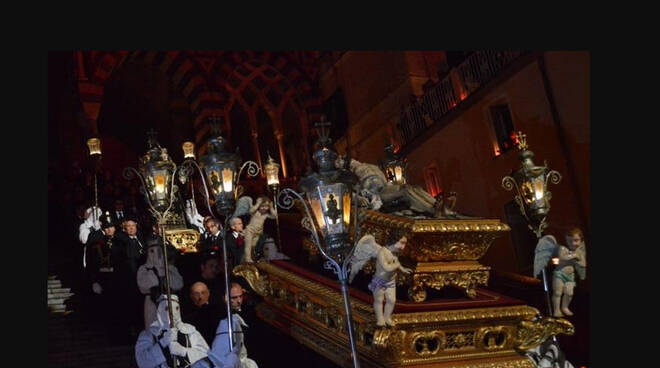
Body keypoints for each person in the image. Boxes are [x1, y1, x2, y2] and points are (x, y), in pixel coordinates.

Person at [349, 229, 412, 327]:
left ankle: (387, 317)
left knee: (392, 300)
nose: (403, 247)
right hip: (380, 281)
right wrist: (397, 265)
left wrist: (402, 269)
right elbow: (387, 267)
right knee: (379, 300)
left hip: (390, 281)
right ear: (394, 240)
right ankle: (380, 318)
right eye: (402, 243)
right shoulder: (382, 252)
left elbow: (395, 262)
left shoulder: (394, 253)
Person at [135, 294, 212, 368]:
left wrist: (184, 352)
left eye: (176, 308)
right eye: (167, 308)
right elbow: (142, 362)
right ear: (160, 311)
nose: (172, 313)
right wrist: (163, 343)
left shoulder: (190, 331)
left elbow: (207, 357)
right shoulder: (149, 334)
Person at [137, 238, 185, 329]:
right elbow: (143, 286)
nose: (155, 254)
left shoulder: (170, 268)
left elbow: (178, 284)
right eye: (152, 251)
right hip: (152, 303)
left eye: (159, 251)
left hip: (170, 302)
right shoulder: (144, 269)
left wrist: (164, 269)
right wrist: (155, 270)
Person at [209, 283, 258, 368]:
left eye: (241, 296)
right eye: (234, 298)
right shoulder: (219, 317)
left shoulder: (247, 312)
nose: (239, 301)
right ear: (225, 298)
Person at [552, 227, 587, 317]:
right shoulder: (563, 249)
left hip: (570, 275)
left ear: (581, 241)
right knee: (557, 292)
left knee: (569, 293)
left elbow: (583, 264)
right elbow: (563, 257)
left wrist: (577, 260)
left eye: (576, 240)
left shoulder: (579, 252)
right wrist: (574, 255)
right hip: (559, 273)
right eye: (570, 241)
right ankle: (556, 310)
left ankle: (565, 307)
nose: (573, 243)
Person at [183, 282, 222, 346]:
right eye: (196, 294)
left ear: (208, 293)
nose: (200, 297)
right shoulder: (188, 314)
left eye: (203, 293)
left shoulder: (217, 310)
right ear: (191, 295)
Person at [242, 197, 276, 263]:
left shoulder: (266, 215)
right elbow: (251, 211)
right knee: (248, 245)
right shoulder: (255, 212)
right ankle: (247, 258)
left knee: (253, 246)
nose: (264, 208)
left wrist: (271, 207)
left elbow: (274, 216)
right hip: (250, 230)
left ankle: (249, 258)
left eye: (266, 206)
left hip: (257, 232)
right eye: (262, 206)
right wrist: (258, 203)